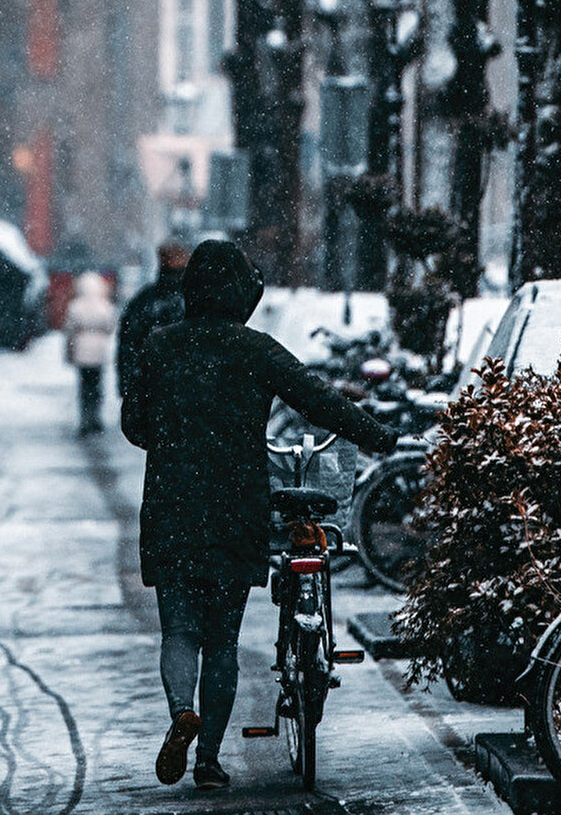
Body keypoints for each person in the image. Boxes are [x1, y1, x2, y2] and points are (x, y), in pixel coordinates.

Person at [120, 239, 396, 791]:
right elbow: (320, 402)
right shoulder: (257, 351)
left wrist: (174, 436)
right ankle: (209, 763)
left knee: (179, 630)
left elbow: (135, 428)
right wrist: (379, 436)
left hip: (173, 506)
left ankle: (180, 712)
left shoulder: (159, 347)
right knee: (223, 640)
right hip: (235, 508)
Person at [115, 240, 189, 400]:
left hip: (152, 390)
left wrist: (128, 387)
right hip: (187, 393)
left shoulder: (145, 300)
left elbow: (128, 346)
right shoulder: (195, 299)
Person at [63, 271, 117, 435]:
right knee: (97, 386)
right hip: (99, 350)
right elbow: (110, 328)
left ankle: (85, 419)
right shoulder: (105, 305)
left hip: (81, 350)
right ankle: (96, 418)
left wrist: (69, 351)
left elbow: (70, 329)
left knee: (84, 387)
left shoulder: (75, 306)